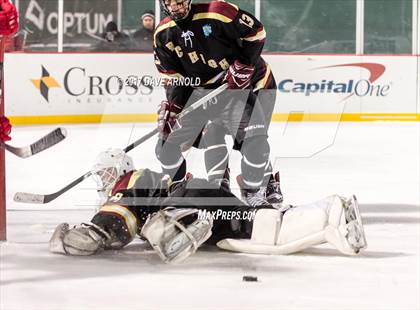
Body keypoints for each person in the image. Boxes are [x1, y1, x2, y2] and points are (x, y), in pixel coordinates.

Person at [49, 149, 367, 263]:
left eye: (107, 173)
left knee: (253, 230)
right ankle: (332, 213)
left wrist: (98, 230)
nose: (106, 181)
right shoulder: (146, 181)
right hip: (202, 196)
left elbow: (123, 210)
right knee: (258, 232)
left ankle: (180, 219)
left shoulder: (134, 178)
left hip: (190, 198)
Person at [154, 0, 278, 208]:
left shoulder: (218, 12)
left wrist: (244, 64)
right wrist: (174, 107)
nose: (175, 8)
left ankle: (255, 189)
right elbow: (172, 76)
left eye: (179, 1)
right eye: (170, 3)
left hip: (237, 89)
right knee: (166, 144)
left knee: (255, 142)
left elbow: (256, 32)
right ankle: (178, 187)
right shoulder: (164, 33)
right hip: (200, 93)